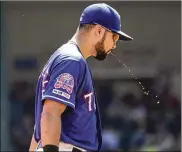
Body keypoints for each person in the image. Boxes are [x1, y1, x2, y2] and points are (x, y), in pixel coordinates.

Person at [29, 3, 133, 152]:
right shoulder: (72, 60)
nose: (115, 44)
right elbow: (51, 112)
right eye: (114, 36)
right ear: (98, 30)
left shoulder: (65, 57)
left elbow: (40, 128)